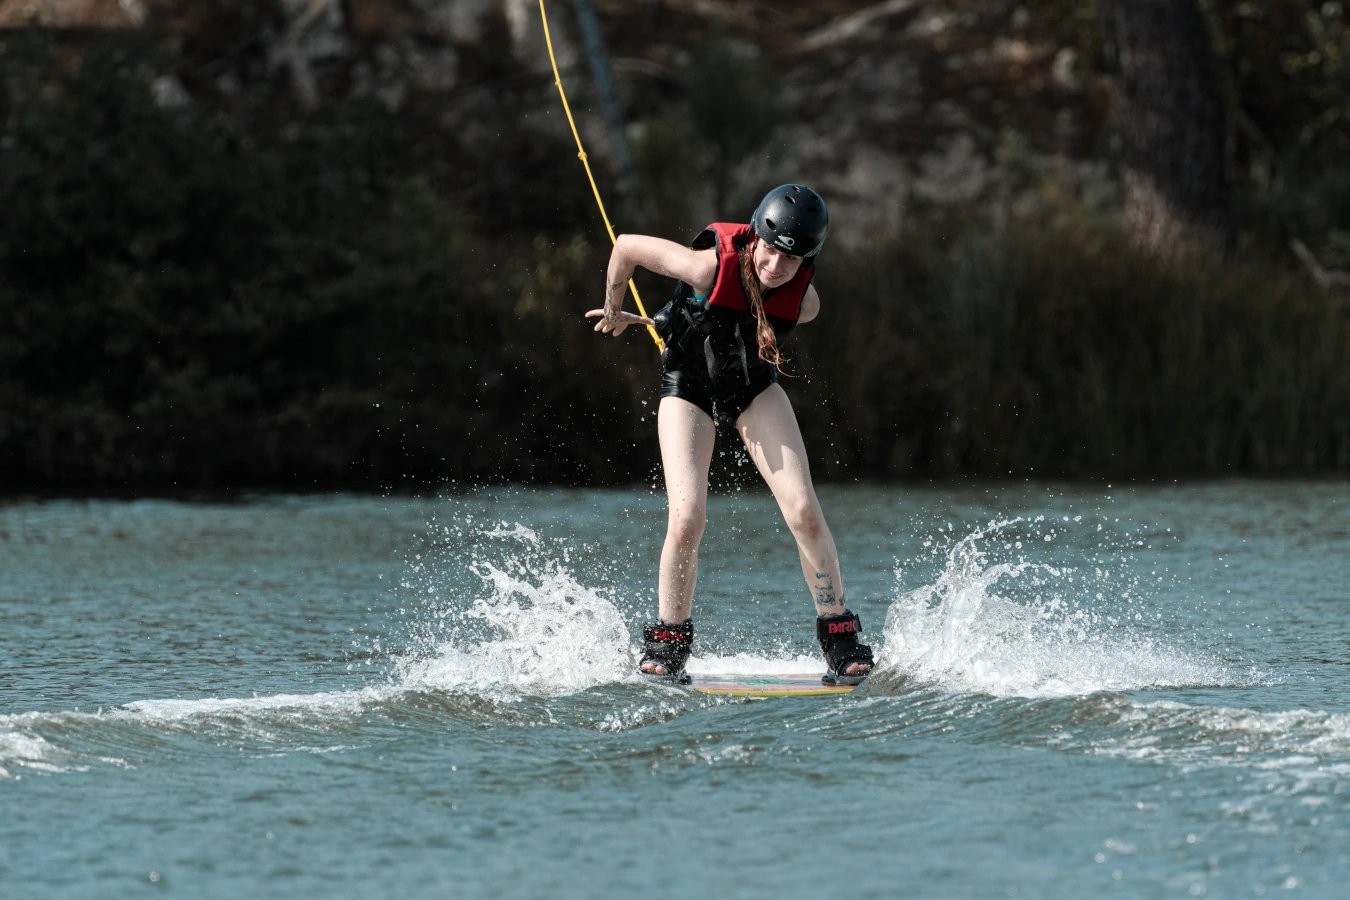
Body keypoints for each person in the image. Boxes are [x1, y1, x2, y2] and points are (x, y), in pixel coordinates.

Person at [585, 184, 874, 686]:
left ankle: (840, 637)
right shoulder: (707, 267)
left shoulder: (805, 303)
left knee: (805, 512)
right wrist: (613, 308)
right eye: (772, 250)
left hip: (752, 389)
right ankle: (668, 643)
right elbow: (626, 246)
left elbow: (741, 328)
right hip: (687, 388)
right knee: (688, 517)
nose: (777, 266)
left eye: (793, 259)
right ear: (757, 236)